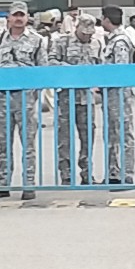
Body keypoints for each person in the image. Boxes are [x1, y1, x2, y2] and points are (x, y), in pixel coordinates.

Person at [0, 2, 47, 198]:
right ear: (9, 18)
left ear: (27, 17)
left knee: (28, 144)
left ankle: (29, 184)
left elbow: (42, 69)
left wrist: (35, 93)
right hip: (2, 99)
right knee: (4, 145)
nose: (19, 18)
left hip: (25, 99)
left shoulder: (37, 40)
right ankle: (2, 183)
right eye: (15, 15)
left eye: (22, 15)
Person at [50, 13, 103, 186]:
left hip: (86, 98)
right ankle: (66, 174)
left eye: (90, 33)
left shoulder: (96, 44)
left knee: (88, 137)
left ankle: (87, 173)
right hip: (66, 96)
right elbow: (50, 62)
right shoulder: (62, 42)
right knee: (64, 138)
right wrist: (72, 71)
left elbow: (100, 66)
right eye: (84, 32)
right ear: (77, 28)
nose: (87, 36)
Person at [98, 6, 135, 187]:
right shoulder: (112, 39)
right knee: (112, 134)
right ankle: (114, 172)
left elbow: (120, 70)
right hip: (111, 94)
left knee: (122, 132)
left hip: (119, 94)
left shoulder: (120, 41)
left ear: (107, 19)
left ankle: (126, 173)